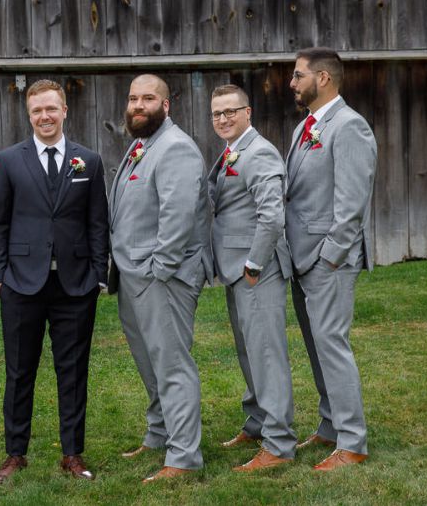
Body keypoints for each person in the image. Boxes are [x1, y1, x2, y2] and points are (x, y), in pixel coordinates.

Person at [0, 80, 109, 484]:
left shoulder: (87, 161)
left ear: (65, 110)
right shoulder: (8, 161)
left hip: (75, 285)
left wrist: (98, 275)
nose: (44, 117)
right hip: (22, 283)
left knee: (73, 371)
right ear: (28, 113)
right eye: (37, 110)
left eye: (51, 109)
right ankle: (15, 452)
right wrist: (0, 275)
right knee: (19, 370)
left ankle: (72, 453)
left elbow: (97, 222)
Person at [108, 74, 212, 483]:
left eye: (148, 98)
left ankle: (184, 456)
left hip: (161, 277)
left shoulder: (176, 149)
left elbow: (178, 216)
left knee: (171, 364)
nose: (138, 105)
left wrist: (160, 270)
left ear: (165, 105)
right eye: (133, 98)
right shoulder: (140, 145)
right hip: (134, 275)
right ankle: (159, 433)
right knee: (149, 361)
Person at [285, 47, 377, 472]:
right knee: (316, 346)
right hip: (303, 259)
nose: (292, 82)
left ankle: (353, 442)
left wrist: (330, 257)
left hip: (328, 261)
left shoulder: (349, 127)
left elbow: (352, 203)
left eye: (298, 75)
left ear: (322, 78)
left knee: (332, 346)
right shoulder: (306, 126)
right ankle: (330, 426)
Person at [207, 84, 297, 472]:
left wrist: (255, 265)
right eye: (217, 114)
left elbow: (272, 216)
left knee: (265, 353)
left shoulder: (258, 152)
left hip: (257, 271)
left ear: (249, 112)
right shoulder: (233, 150)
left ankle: (278, 443)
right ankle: (259, 421)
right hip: (237, 270)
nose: (223, 119)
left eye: (231, 111)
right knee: (249, 350)